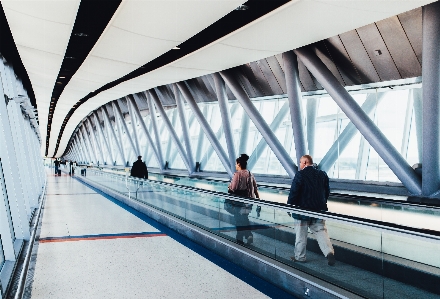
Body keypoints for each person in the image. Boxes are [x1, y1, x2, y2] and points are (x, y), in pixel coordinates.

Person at [287, 155, 335, 266]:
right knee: (321, 232)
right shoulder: (322, 174)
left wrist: (289, 206)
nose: (299, 165)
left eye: (300, 162)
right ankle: (329, 252)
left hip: (302, 211)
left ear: (305, 162)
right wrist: (322, 203)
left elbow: (294, 192)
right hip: (318, 210)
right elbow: (326, 191)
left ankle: (300, 257)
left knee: (301, 235)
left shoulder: (300, 175)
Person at [227, 154, 259, 245]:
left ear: (239, 164)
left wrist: (229, 187)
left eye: (236, 164)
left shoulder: (237, 174)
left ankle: (240, 238)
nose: (235, 166)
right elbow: (255, 188)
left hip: (239, 202)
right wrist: (258, 199)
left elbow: (233, 188)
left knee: (238, 219)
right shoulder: (250, 173)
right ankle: (249, 235)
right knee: (244, 218)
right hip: (249, 201)